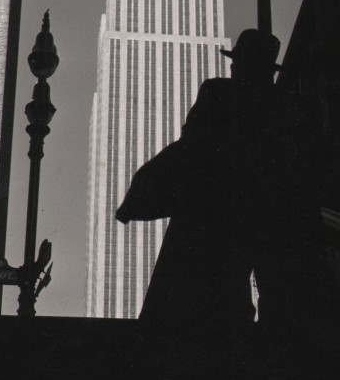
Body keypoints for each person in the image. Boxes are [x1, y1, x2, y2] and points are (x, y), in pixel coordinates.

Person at [116, 29, 325, 338]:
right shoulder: (285, 104)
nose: (233, 67)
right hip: (269, 211)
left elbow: (192, 143)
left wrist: (141, 192)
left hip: (216, 209)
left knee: (209, 285)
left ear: (245, 65)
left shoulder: (218, 93)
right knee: (269, 288)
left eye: (238, 62)